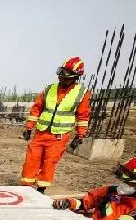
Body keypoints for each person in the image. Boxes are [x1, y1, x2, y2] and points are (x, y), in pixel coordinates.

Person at [21, 57, 91, 193]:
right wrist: (29, 127)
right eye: (61, 75)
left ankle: (41, 188)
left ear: (76, 77)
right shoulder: (49, 89)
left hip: (59, 136)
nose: (62, 79)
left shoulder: (82, 93)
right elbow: (37, 108)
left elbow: (83, 116)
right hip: (41, 132)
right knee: (31, 159)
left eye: (66, 77)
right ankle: (26, 187)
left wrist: (80, 135)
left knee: (49, 162)